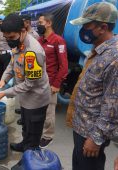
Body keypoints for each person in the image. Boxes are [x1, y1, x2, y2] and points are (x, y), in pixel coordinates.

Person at [68, 2, 118, 170]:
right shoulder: (98, 49)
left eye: (86, 25)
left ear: (102, 27)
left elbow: (113, 105)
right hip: (81, 127)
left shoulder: (114, 57)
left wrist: (96, 139)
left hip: (91, 133)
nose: (83, 29)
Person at [0, 13, 51, 152]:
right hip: (25, 98)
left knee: (33, 134)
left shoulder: (33, 51)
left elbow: (29, 84)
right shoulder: (18, 43)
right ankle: (24, 144)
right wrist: (3, 79)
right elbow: (12, 64)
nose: (9, 41)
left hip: (36, 99)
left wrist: (5, 92)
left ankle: (28, 158)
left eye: (11, 37)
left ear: (23, 30)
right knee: (26, 125)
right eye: (6, 38)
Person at [37, 13, 68, 148]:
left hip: (50, 83)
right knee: (39, 109)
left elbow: (64, 66)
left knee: (49, 111)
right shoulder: (39, 40)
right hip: (37, 82)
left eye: (40, 22)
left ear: (49, 23)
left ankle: (48, 136)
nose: (38, 25)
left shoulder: (58, 41)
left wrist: (56, 84)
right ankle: (39, 131)